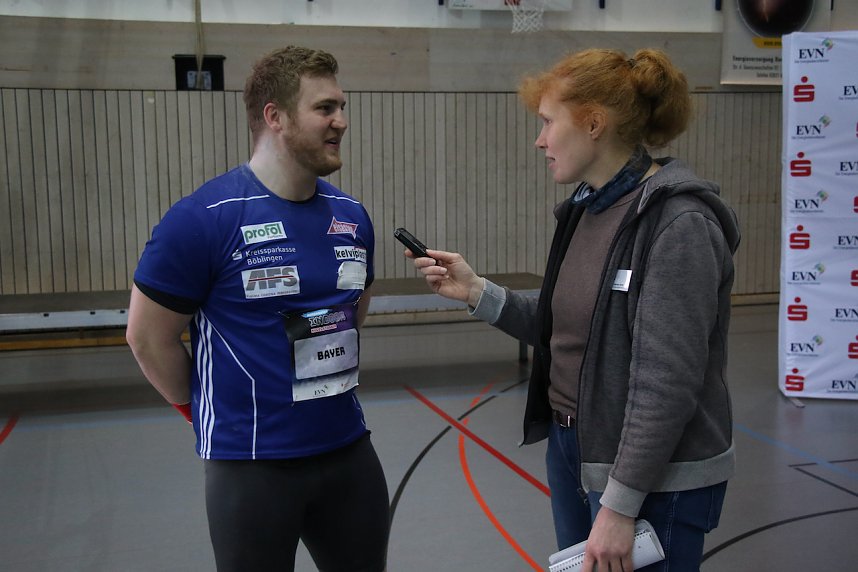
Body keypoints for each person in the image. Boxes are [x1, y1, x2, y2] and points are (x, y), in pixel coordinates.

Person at [407, 48, 739, 571]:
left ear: (593, 123)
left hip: (653, 478)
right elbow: (569, 322)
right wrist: (475, 291)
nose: (539, 140)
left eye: (546, 122)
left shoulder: (679, 225)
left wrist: (620, 505)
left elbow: (666, 383)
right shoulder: (588, 208)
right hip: (576, 451)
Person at [126, 45, 389, 572]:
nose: (341, 121)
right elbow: (147, 338)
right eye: (324, 108)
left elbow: (350, 313)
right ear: (275, 117)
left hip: (348, 456)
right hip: (251, 469)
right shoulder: (202, 220)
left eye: (342, 106)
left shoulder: (352, 217)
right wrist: (203, 411)